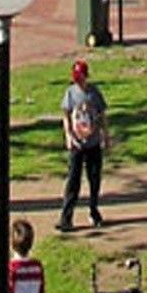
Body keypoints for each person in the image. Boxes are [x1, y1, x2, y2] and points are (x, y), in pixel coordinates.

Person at [57, 61, 108, 232]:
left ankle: (94, 211)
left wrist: (105, 136)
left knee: (94, 179)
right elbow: (66, 115)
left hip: (93, 143)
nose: (79, 81)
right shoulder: (70, 93)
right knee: (73, 180)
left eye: (81, 77)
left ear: (86, 76)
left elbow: (102, 115)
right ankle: (66, 218)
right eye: (76, 78)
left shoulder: (94, 93)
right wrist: (68, 136)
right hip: (77, 145)